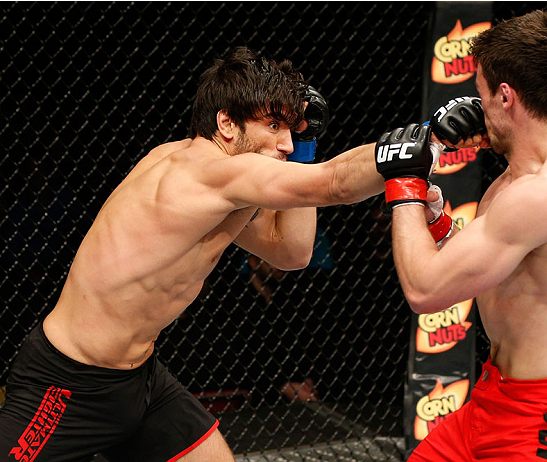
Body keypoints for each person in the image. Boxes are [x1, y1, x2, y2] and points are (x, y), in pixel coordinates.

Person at [0, 46, 385, 461]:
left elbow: (291, 252)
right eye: (273, 125)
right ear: (226, 123)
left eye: (292, 131)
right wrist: (422, 141)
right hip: (66, 382)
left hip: (141, 381)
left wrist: (309, 142)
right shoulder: (202, 174)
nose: (286, 144)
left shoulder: (223, 186)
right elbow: (333, 185)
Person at [375, 10, 547, 461]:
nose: (476, 104)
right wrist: (436, 220)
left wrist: (405, 185)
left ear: (506, 96)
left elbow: (424, 290)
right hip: (493, 400)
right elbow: (488, 276)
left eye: (481, 92)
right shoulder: (520, 181)